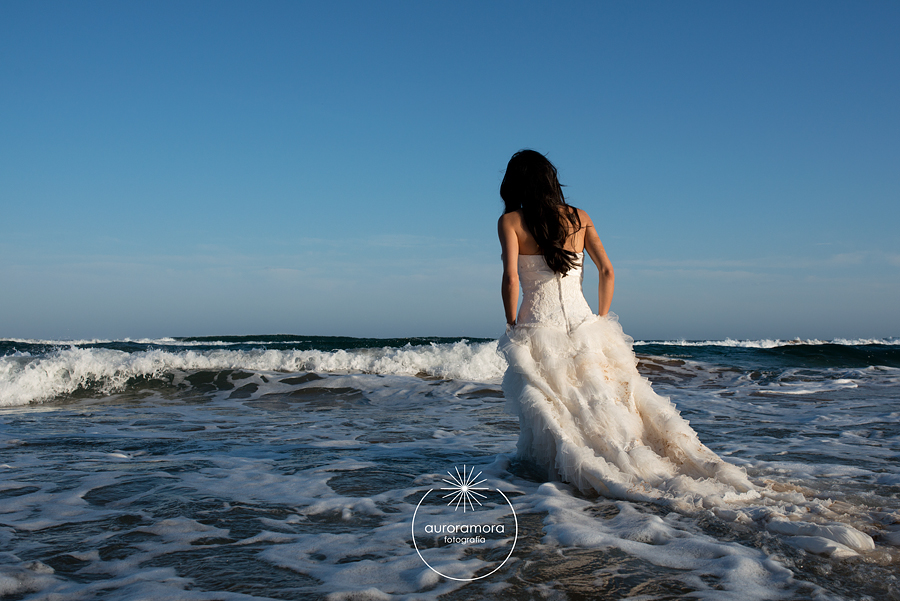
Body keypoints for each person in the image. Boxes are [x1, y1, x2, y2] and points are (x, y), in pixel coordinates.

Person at [497, 149, 757, 508]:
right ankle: (633, 457)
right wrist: (601, 319)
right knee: (603, 400)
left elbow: (511, 278)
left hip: (537, 326)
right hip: (587, 326)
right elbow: (607, 271)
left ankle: (563, 474)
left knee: (558, 407)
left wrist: (511, 323)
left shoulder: (511, 221)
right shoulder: (580, 217)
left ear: (515, 182)